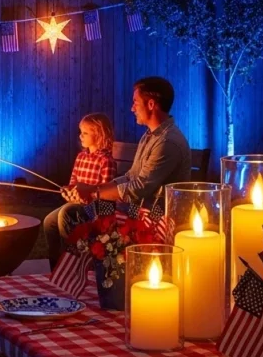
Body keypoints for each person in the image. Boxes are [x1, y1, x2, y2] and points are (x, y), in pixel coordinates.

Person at [50, 77, 192, 266]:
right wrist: (93, 189)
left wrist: (93, 192)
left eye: (135, 102)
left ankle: (92, 274)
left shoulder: (167, 142)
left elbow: (139, 188)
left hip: (152, 214)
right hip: (135, 206)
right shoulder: (150, 136)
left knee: (71, 213)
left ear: (151, 104)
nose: (132, 108)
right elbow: (131, 176)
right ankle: (64, 272)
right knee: (54, 220)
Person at [43, 113, 118, 268]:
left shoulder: (106, 161)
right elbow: (73, 183)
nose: (80, 136)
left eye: (85, 133)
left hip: (95, 207)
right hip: (77, 203)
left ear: (98, 134)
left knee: (65, 214)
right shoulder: (81, 157)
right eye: (81, 132)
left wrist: (86, 198)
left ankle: (72, 263)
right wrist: (67, 191)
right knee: (49, 221)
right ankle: (56, 266)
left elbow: (107, 194)